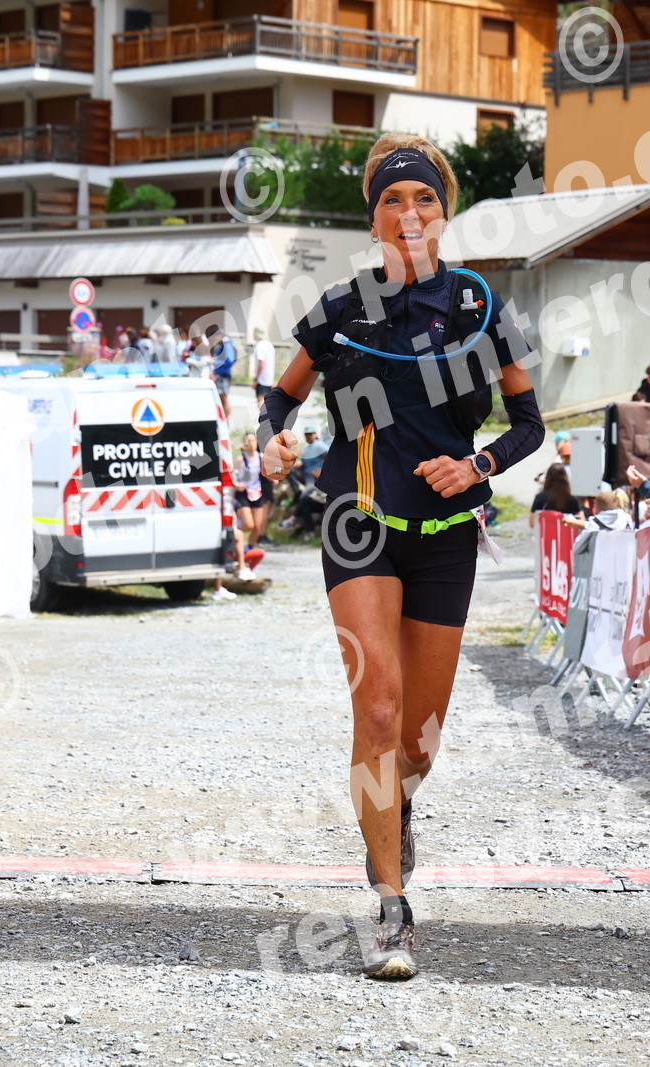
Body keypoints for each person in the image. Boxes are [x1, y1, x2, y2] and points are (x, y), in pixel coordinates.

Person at [258, 133, 543, 979]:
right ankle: (391, 908)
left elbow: (530, 424)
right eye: (392, 200)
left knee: (418, 740)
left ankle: (396, 807)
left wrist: (477, 464)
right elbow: (280, 397)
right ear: (373, 217)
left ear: (444, 213)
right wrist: (271, 438)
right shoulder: (340, 309)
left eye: (424, 199)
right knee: (377, 710)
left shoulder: (483, 307)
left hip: (446, 535)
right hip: (359, 526)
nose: (409, 213)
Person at [231, 432, 272, 547]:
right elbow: (231, 476)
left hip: (257, 492)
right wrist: (236, 484)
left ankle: (248, 549)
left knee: (257, 527)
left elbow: (268, 472)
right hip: (243, 493)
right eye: (248, 441)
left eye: (253, 441)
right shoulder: (240, 459)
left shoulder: (261, 457)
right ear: (244, 444)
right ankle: (234, 536)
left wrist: (273, 478)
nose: (251, 444)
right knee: (249, 525)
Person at [529, 462, 583, 527]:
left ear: (548, 477)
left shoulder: (540, 497)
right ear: (565, 477)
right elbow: (582, 520)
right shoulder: (573, 498)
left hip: (546, 531)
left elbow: (532, 523)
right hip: (567, 532)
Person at [252, 326, 276, 403]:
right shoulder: (269, 345)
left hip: (262, 380)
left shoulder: (260, 346)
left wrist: (256, 379)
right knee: (267, 403)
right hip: (269, 379)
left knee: (261, 403)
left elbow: (261, 364)